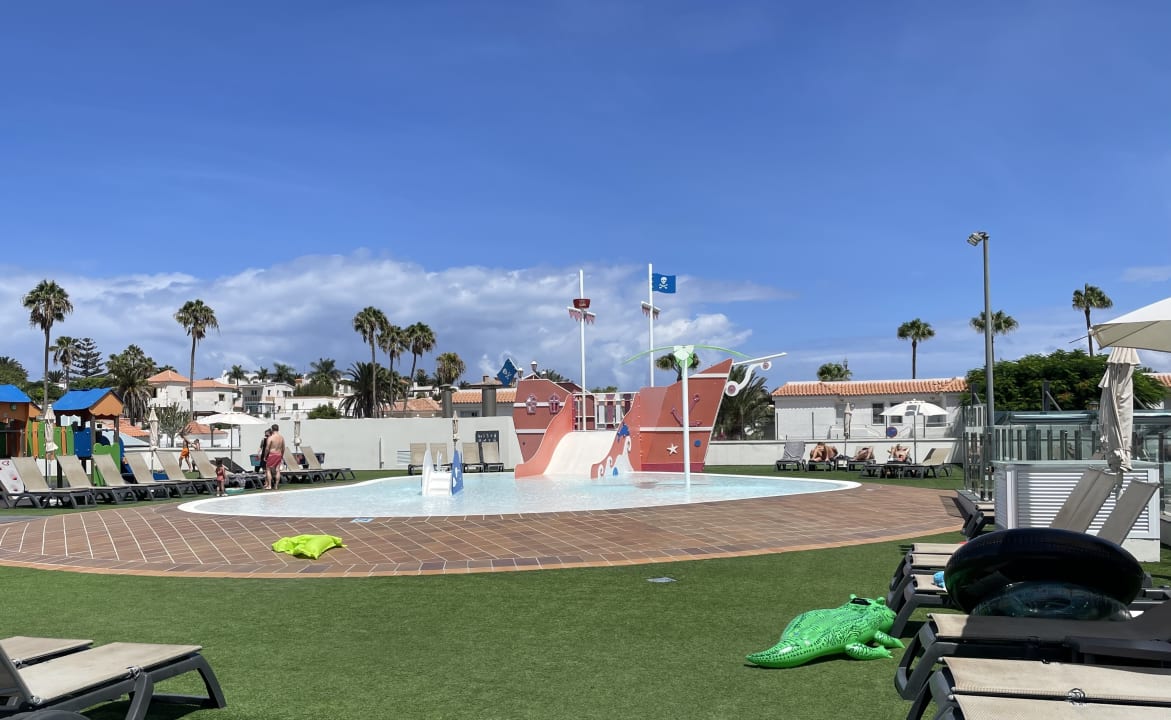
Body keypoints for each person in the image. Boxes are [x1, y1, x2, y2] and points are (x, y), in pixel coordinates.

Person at [266, 424, 286, 490]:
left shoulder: (271, 438)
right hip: (279, 454)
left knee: (268, 469)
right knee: (277, 470)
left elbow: (267, 448)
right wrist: (282, 455)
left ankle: (269, 486)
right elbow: (283, 448)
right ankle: (276, 486)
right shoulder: (281, 437)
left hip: (272, 454)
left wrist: (265, 456)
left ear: (272, 429)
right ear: (278, 429)